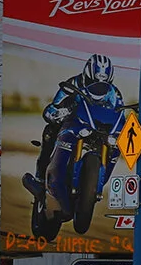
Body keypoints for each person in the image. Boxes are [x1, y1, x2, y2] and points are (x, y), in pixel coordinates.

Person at [27, 54, 126, 203]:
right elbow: (54, 106)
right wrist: (57, 112)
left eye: (103, 83)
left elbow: (119, 112)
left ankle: (95, 180)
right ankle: (40, 176)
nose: (99, 87)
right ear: (87, 74)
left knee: (115, 143)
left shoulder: (114, 92)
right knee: (49, 131)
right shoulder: (73, 83)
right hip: (75, 123)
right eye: (94, 82)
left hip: (99, 127)